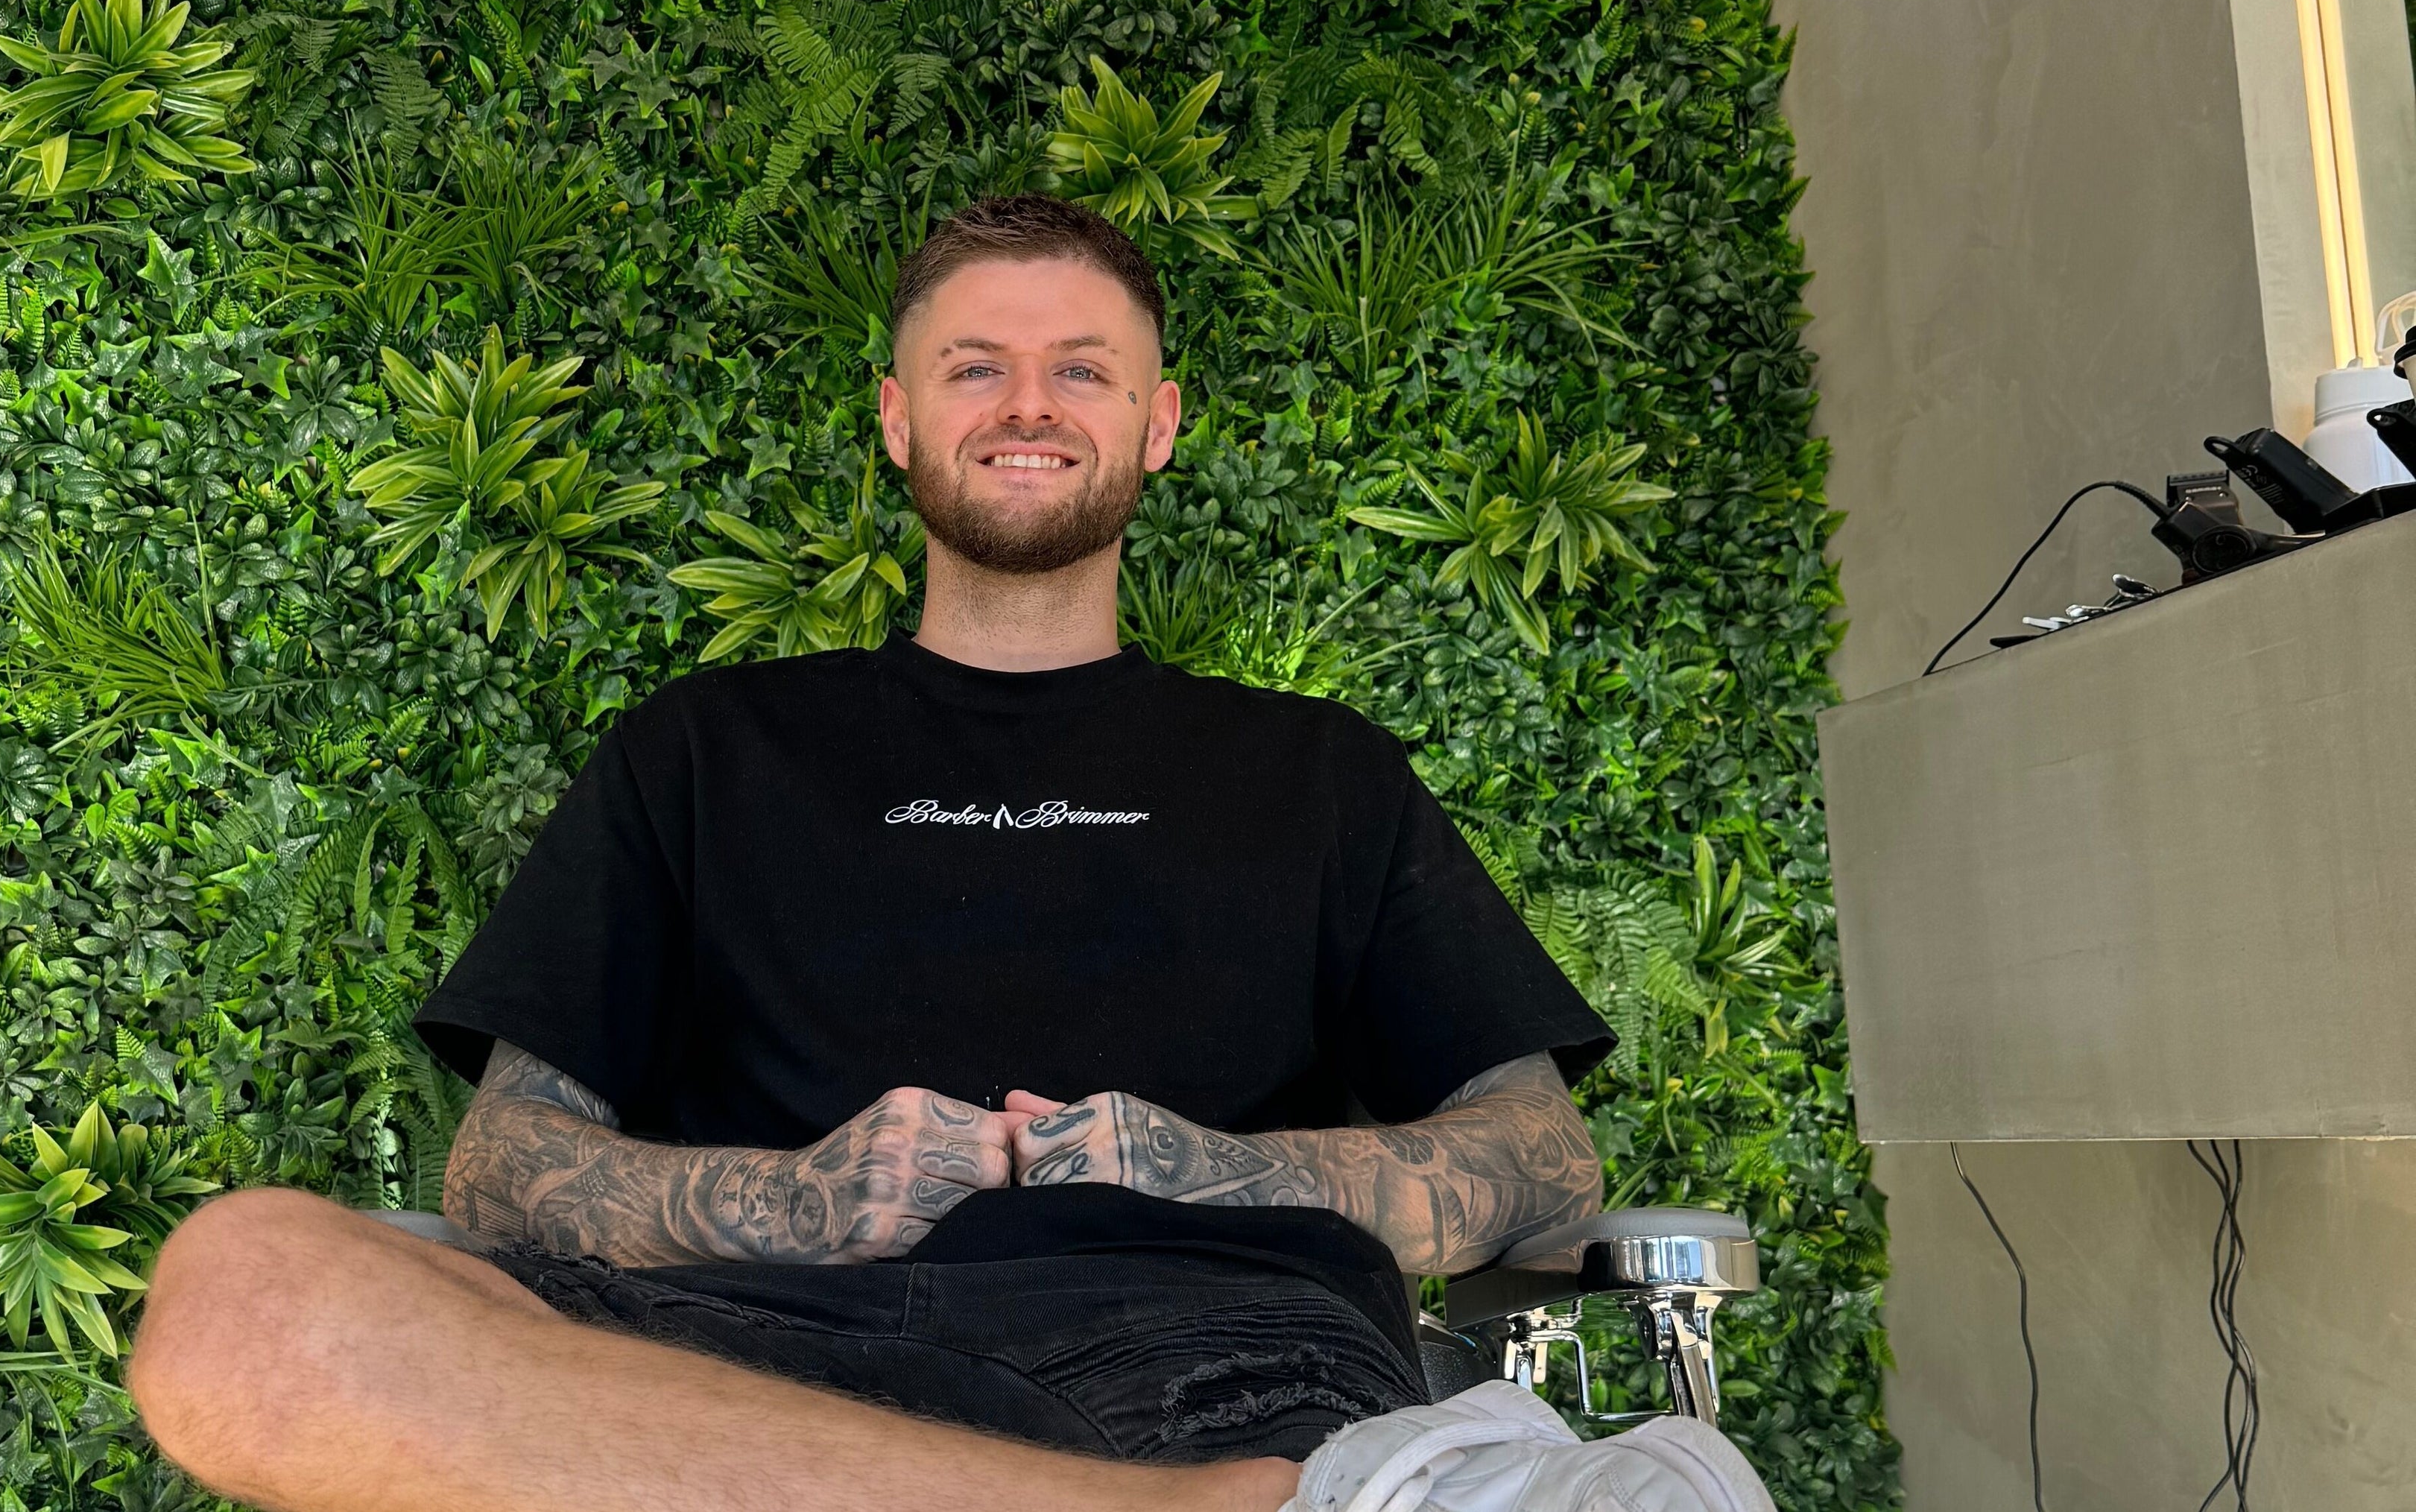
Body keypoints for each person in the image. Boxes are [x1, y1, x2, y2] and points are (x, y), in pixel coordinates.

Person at [127, 194, 1629, 1512]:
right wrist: (805, 1202)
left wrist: (1215, 1172)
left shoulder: (1321, 774)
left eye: (1081, 370)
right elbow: (503, 1170)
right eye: (975, 367)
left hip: (1213, 1367)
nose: (1026, 405)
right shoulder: (704, 753)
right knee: (240, 1297)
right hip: (740, 1370)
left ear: (1160, 424)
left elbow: (1547, 1164)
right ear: (901, 417)